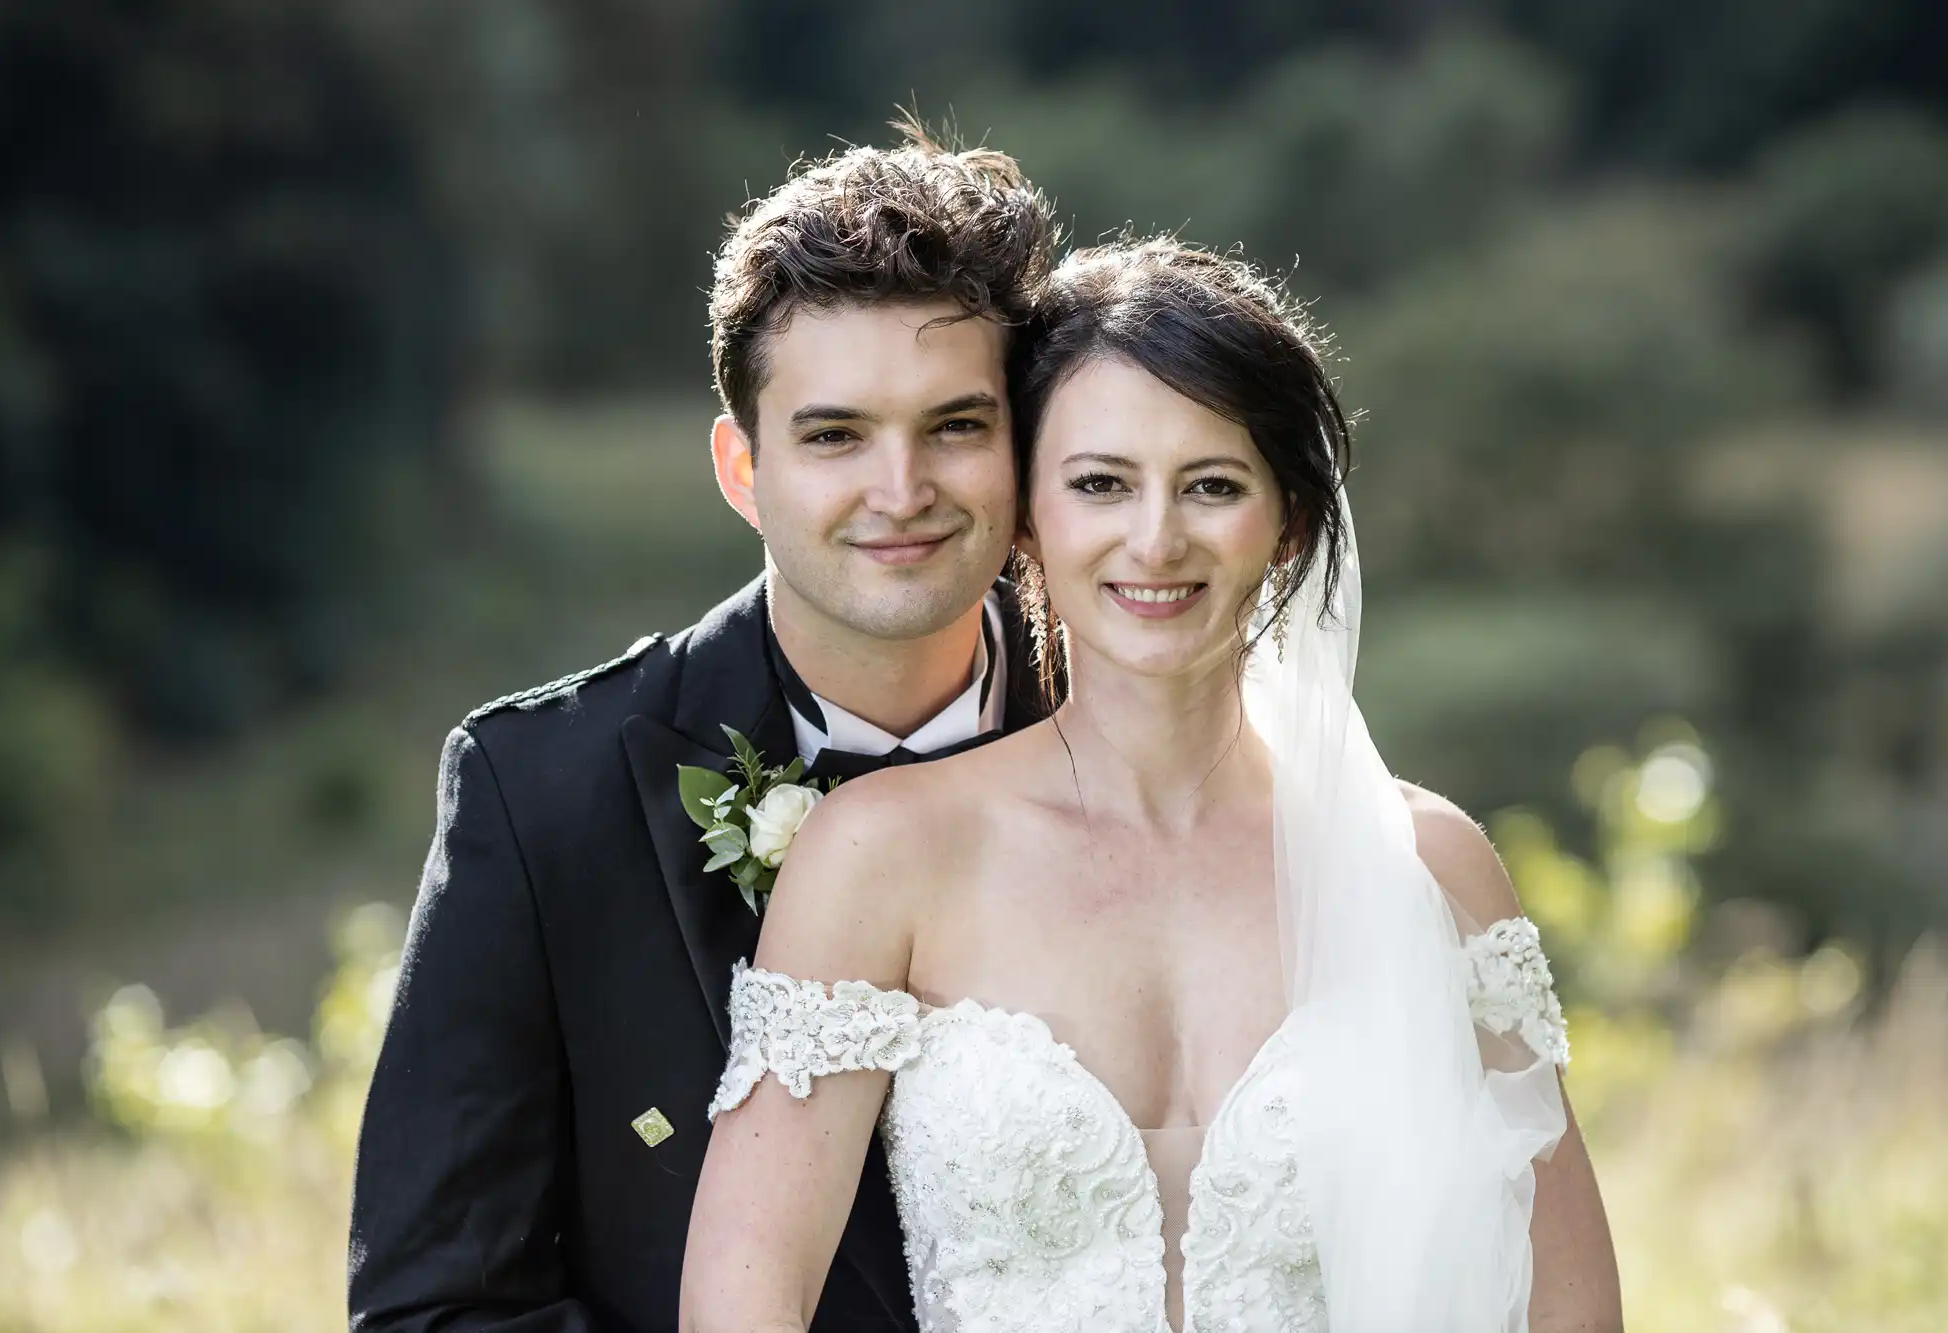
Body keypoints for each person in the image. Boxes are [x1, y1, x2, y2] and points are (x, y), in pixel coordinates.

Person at [682, 239, 1624, 1332]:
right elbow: (740, 1302)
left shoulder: (1426, 865)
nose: (1155, 538)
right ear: (1027, 516)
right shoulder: (881, 855)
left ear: (1290, 524)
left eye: (1212, 486)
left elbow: (1568, 1308)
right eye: (1099, 484)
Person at [347, 129, 1057, 1333]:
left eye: (954, 426)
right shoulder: (541, 794)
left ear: (1023, 443)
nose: (900, 490)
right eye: (834, 435)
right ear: (743, 467)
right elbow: (439, 1309)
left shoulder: (1147, 749)